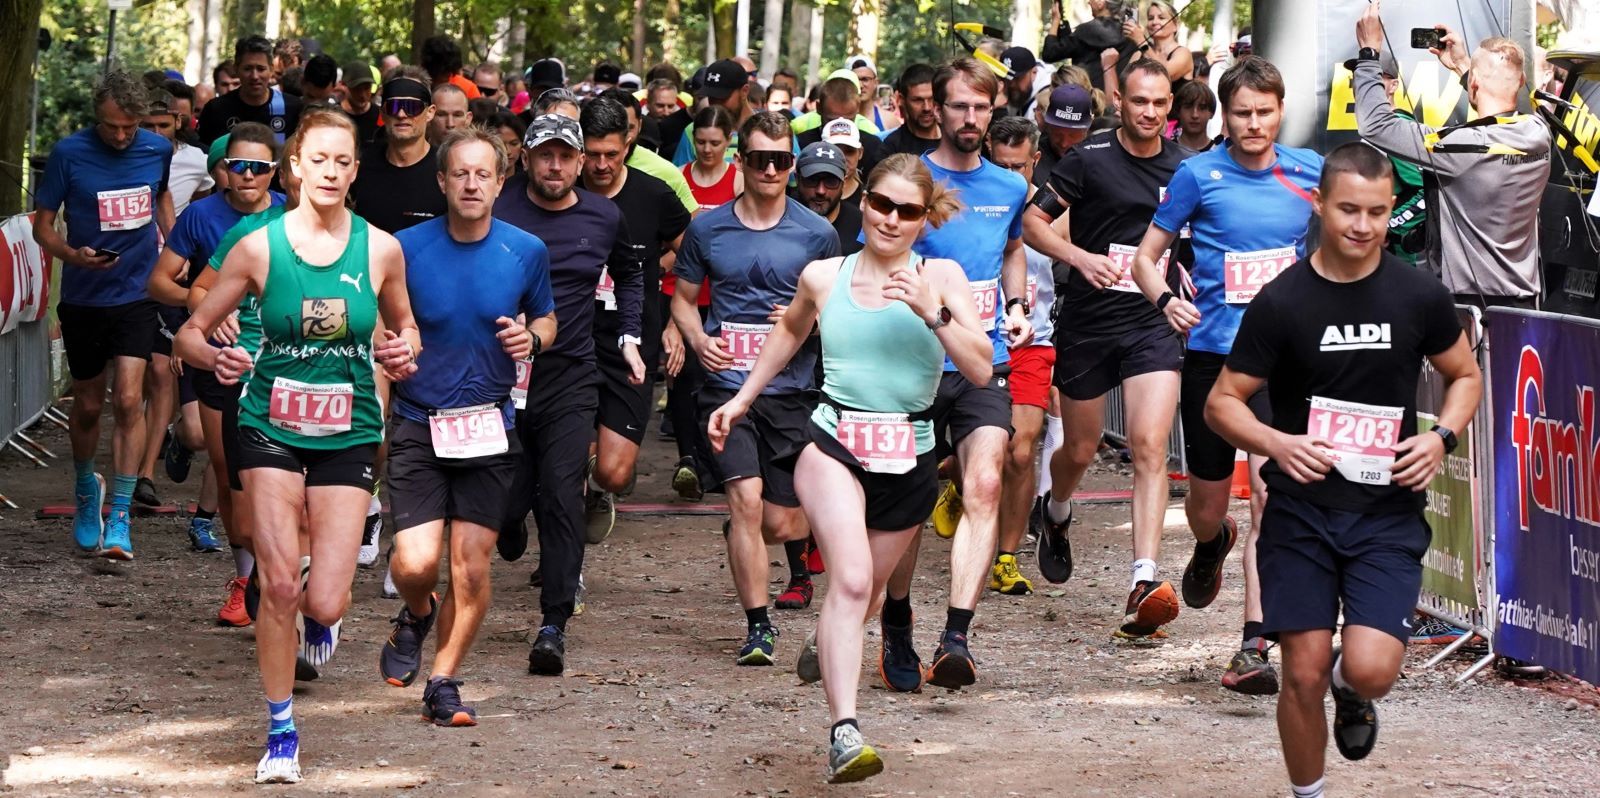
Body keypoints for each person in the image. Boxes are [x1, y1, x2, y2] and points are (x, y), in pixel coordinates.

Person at [1206, 141, 1481, 798]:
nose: (1363, 226)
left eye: (1378, 213)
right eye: (1349, 210)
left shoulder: (1419, 295)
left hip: (1385, 513)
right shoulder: (1283, 301)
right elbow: (1222, 401)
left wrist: (1442, 435)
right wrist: (1276, 442)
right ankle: (1312, 793)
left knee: (1372, 669)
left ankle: (1351, 689)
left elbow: (1465, 374)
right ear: (1320, 204)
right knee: (1298, 673)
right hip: (1301, 509)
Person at [710, 154, 988, 782]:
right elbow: (787, 330)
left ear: (924, 219)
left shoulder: (941, 276)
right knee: (855, 582)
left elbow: (979, 368)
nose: (891, 219)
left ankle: (828, 640)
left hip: (910, 454)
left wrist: (932, 313)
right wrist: (741, 398)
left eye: (908, 211)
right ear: (863, 203)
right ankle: (844, 731)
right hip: (833, 442)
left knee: (852, 602)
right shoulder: (823, 275)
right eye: (882, 204)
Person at [175, 108, 421, 784]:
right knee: (280, 583)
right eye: (320, 160)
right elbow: (191, 331)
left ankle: (321, 623)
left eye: (344, 162)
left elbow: (405, 329)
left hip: (347, 432)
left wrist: (401, 353)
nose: (333, 172)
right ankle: (281, 729)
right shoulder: (258, 247)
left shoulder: (380, 249)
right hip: (269, 426)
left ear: (355, 171)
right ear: (297, 168)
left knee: (327, 601)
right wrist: (215, 358)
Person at [1129, 55, 1322, 690]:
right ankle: (1212, 544)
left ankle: (1253, 645)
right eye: (1242, 113)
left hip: (1284, 363)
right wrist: (1165, 300)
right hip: (1215, 359)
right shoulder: (1197, 174)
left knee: (1270, 494)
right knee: (1208, 505)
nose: (1254, 124)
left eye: (1265, 112)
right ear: (1224, 115)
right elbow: (1146, 260)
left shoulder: (1309, 174)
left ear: (1281, 111)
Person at [383, 126, 558, 725]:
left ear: (501, 181)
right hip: (416, 420)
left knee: (472, 564)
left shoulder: (525, 250)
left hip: (488, 425)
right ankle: (417, 610)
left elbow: (549, 320)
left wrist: (530, 339)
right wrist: (390, 347)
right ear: (441, 181)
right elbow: (383, 321)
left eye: (483, 173)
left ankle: (444, 679)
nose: (471, 183)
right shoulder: (403, 248)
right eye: (460, 173)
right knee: (413, 564)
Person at [1022, 59, 1196, 637]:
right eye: (1140, 101)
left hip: (1153, 320)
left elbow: (1198, 238)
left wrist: (1190, 277)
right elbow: (1033, 224)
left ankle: (1143, 579)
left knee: (1151, 448)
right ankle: (1055, 510)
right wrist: (1079, 257)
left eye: (1160, 103)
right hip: (1090, 323)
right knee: (1080, 446)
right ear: (1119, 101)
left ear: (1171, 107)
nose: (1150, 112)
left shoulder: (1186, 168)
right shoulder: (1087, 160)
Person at [881, 57, 1031, 692]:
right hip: (910, 364)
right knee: (909, 505)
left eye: (981, 107)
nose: (971, 118)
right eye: (959, 107)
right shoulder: (911, 180)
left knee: (988, 482)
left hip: (980, 361)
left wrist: (1019, 305)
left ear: (994, 110)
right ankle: (896, 622)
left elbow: (1015, 248)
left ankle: (956, 638)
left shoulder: (1009, 187)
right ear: (936, 110)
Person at [672, 111, 841, 666]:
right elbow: (683, 297)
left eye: (781, 160)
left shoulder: (818, 234)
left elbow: (840, 311)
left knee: (782, 522)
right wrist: (697, 339)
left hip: (792, 393)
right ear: (741, 161)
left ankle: (752, 534)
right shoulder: (707, 228)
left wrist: (804, 323)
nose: (771, 168)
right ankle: (758, 626)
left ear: (791, 166)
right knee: (746, 502)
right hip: (725, 388)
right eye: (760, 158)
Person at [493, 113, 644, 675]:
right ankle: (510, 519)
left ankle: (553, 623)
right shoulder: (497, 205)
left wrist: (629, 335)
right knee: (507, 497)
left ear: (581, 163)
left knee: (561, 494)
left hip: (569, 374)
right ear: (525, 158)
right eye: (544, 155)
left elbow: (631, 274)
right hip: (498, 375)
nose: (555, 166)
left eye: (565, 156)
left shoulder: (603, 216)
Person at [33, 70, 175, 560]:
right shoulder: (69, 154)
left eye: (129, 128)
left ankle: (119, 515)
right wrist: (73, 256)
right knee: (90, 405)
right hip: (84, 296)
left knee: (131, 398)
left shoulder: (157, 150)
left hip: (137, 292)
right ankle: (83, 486)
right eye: (111, 127)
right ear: (98, 116)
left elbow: (160, 196)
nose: (120, 136)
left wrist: (175, 245)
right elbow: (42, 227)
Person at [146, 123, 285, 558]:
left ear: (275, 171)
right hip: (217, 354)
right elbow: (158, 283)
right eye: (237, 165)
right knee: (227, 468)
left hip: (278, 358)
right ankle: (245, 572)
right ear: (223, 168)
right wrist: (206, 309)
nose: (247, 175)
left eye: (258, 167)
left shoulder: (289, 214)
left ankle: (271, 569)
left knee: (273, 468)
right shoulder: (201, 216)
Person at [1352, 3, 1549, 307]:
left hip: (1472, 305)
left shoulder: (1460, 147)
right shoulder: (1539, 133)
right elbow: (1496, 108)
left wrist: (1368, 54)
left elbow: (1376, 125)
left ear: (1473, 84)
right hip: (1526, 297)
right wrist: (1462, 66)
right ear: (1522, 82)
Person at [184, 128, 303, 627]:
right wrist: (217, 317)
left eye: (333, 163)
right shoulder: (252, 231)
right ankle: (251, 574)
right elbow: (199, 294)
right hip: (251, 379)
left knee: (306, 506)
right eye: (307, 163)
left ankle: (294, 606)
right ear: (291, 171)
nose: (317, 176)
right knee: (246, 504)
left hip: (324, 390)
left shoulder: (364, 237)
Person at [578, 97, 692, 541]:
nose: (602, 165)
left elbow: (693, 258)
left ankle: (598, 490)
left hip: (632, 346)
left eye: (612, 153)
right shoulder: (561, 190)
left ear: (628, 143)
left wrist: (673, 320)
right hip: (570, 342)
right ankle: (564, 556)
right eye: (593, 154)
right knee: (570, 455)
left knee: (614, 470)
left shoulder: (653, 194)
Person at [983, 115, 1058, 597]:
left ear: (1035, 161)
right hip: (978, 341)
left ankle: (1006, 557)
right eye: (1001, 164)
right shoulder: (979, 201)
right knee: (980, 450)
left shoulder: (1053, 213)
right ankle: (955, 483)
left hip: (1036, 341)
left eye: (1020, 167)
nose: (1011, 176)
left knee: (1022, 447)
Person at [350, 68, 447, 234]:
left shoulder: (447, 167)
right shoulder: (361, 164)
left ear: (430, 112)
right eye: (394, 106)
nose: (402, 114)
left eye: (412, 106)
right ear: (383, 112)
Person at [198, 36, 303, 146]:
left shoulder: (292, 108)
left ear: (271, 69)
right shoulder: (216, 109)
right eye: (247, 69)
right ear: (236, 69)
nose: (254, 76)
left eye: (261, 69)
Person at [1041, 0, 1137, 92]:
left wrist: (1055, 20)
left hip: (1087, 99)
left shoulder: (1083, 33)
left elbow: (1050, 53)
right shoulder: (1131, 35)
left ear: (1101, 3)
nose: (1089, 2)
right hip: (1118, 100)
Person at [671, 59, 753, 166]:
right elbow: (680, 178)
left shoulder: (764, 131)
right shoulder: (694, 129)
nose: (716, 105)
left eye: (723, 97)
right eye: (712, 98)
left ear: (744, 91)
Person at [793, 141, 863, 256]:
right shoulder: (778, 219)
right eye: (812, 180)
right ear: (797, 179)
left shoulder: (861, 226)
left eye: (831, 182)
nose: (821, 191)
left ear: (844, 182)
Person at [682, 105, 743, 208]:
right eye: (700, 142)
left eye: (715, 143)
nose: (707, 149)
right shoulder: (679, 176)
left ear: (729, 140)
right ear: (693, 138)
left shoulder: (740, 180)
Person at [1035, 83, 1093, 187]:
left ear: (1087, 130)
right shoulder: (1033, 159)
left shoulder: (1100, 157)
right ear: (1048, 126)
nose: (1064, 143)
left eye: (1073, 135)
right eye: (1057, 134)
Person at [879, 64, 940, 159]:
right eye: (918, 100)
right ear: (902, 100)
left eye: (932, 99)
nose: (927, 108)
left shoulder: (953, 139)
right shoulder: (891, 148)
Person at [846, 54, 900, 131]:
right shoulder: (839, 120)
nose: (860, 85)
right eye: (855, 79)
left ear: (876, 82)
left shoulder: (889, 120)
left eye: (865, 79)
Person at [419, 34, 482, 99]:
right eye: (441, 71)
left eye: (448, 71)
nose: (446, 76)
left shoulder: (468, 89)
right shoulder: (416, 86)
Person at [339, 62, 380, 147]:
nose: (362, 95)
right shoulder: (333, 116)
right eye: (357, 89)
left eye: (367, 88)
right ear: (343, 86)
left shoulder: (381, 116)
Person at [1171, 80, 1218, 152]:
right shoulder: (1167, 152)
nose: (1194, 115)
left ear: (1212, 113)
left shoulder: (1219, 155)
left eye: (1202, 108)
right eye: (1188, 107)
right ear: (1178, 111)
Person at [999, 46, 1040, 119]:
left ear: (1034, 72)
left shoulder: (1046, 102)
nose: (1011, 84)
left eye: (1017, 78)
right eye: (1007, 78)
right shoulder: (1016, 97)